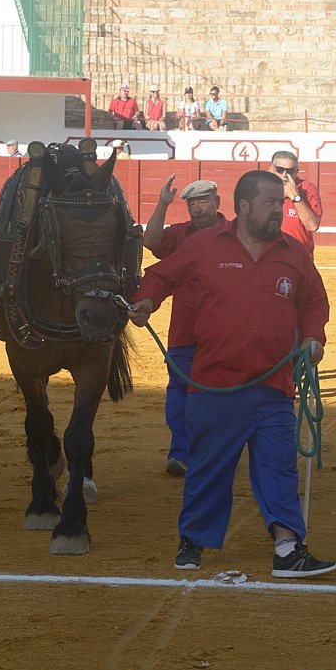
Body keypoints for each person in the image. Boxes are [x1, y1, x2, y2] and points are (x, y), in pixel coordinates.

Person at [128, 169, 336, 580]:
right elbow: (160, 275)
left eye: (280, 202)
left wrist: (314, 338)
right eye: (270, 202)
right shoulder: (205, 245)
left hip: (274, 385)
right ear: (243, 206)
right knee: (208, 467)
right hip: (215, 385)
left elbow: (314, 302)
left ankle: (288, 548)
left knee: (278, 466)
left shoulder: (293, 252)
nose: (278, 209)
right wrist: (146, 301)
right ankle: (193, 539)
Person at [141, 177, 228, 477]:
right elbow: (151, 241)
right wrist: (163, 203)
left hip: (225, 333)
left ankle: (213, 451)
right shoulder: (180, 234)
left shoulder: (236, 235)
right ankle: (181, 452)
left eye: (202, 201)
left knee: (220, 394)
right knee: (180, 390)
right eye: (192, 204)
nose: (197, 208)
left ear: (217, 202)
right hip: (185, 330)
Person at [270, 150, 323, 257]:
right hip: (270, 255)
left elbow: (313, 226)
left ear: (296, 171)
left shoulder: (307, 189)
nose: (285, 174)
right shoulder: (262, 189)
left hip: (298, 256)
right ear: (272, 169)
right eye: (280, 170)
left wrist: (295, 197)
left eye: (290, 171)